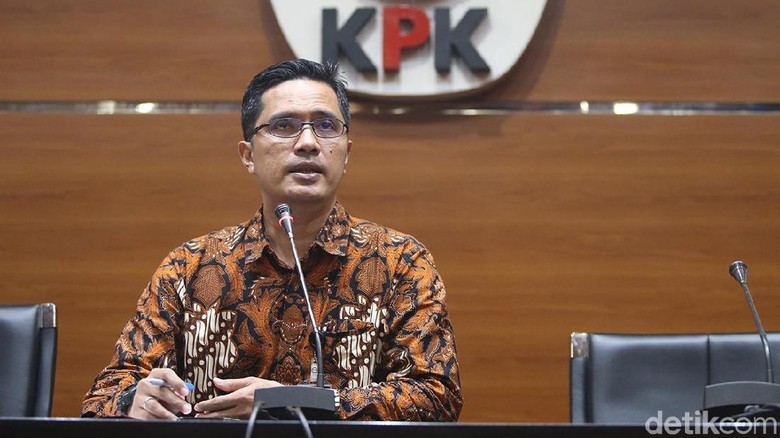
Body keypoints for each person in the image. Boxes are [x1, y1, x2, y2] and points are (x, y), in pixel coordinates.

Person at [81, 59, 462, 421]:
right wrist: (135, 400)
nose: (308, 142)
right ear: (248, 155)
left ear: (346, 153)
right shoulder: (189, 266)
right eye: (284, 125)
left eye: (326, 126)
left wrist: (294, 402)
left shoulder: (399, 261)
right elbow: (103, 396)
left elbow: (436, 396)